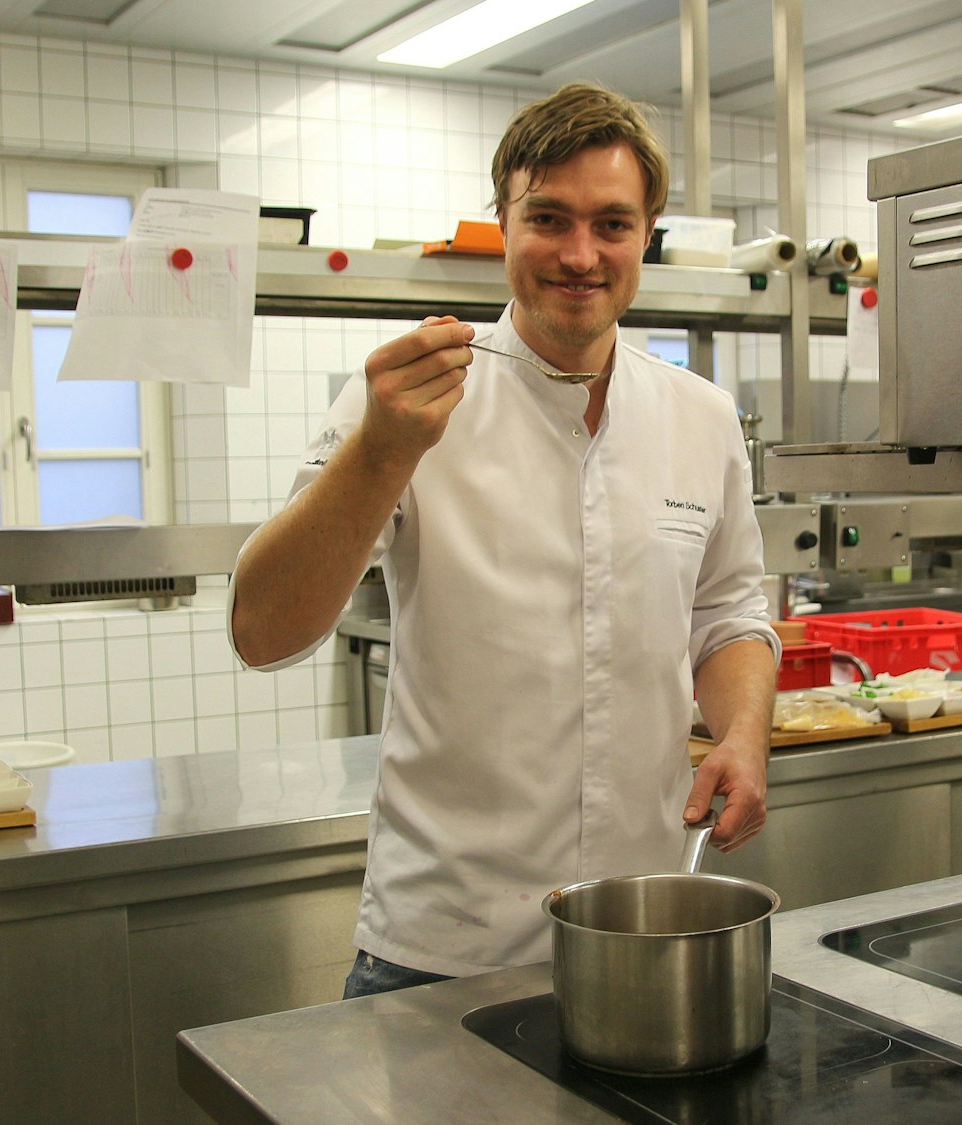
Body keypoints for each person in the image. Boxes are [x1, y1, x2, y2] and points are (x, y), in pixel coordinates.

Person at [228, 83, 779, 996]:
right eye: (548, 218)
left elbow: (727, 616)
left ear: (648, 234)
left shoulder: (701, 416)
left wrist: (745, 733)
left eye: (611, 223)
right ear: (503, 223)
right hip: (440, 944)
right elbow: (263, 632)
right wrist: (381, 451)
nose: (579, 254)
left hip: (643, 924)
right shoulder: (410, 398)